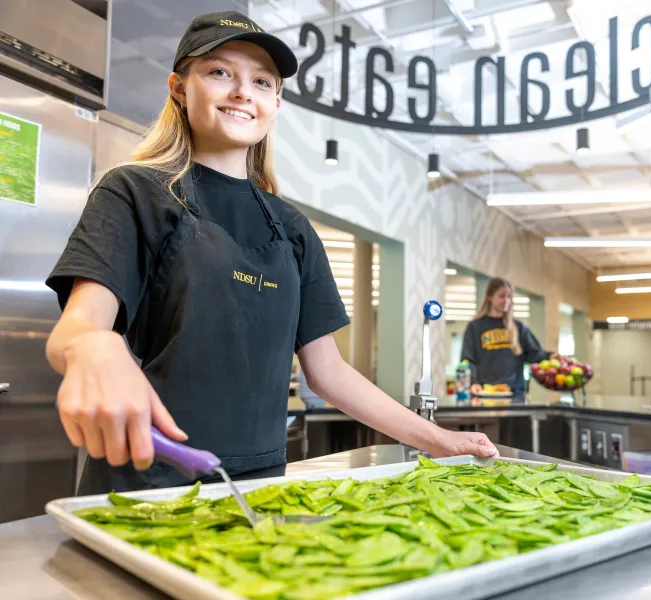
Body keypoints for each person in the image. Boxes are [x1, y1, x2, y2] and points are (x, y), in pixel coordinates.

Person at [44, 11, 497, 495]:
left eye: (261, 82)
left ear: (275, 103)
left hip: (258, 489)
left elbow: (329, 374)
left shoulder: (292, 228)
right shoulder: (134, 192)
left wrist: (438, 438)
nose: (243, 92)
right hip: (148, 484)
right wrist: (92, 345)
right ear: (179, 87)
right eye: (220, 72)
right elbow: (75, 330)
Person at [461, 277, 559, 400]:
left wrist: (550, 356)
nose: (506, 301)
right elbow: (468, 359)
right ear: (490, 297)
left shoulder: (518, 327)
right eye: (502, 296)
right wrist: (473, 382)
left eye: (509, 297)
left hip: (514, 394)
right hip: (485, 394)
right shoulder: (475, 327)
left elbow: (532, 354)